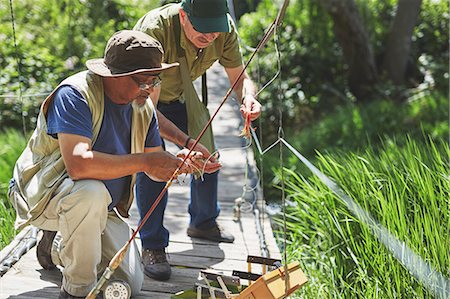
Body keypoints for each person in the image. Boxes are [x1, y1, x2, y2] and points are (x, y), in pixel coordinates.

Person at [7, 30, 219, 299]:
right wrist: (146, 160)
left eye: (155, 80)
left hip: (100, 209)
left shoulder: (144, 108)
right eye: (142, 81)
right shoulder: (75, 94)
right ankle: (76, 291)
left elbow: (152, 169)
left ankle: (56, 246)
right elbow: (79, 166)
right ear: (114, 75)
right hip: (44, 194)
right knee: (90, 193)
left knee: (130, 281)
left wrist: (178, 164)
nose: (150, 89)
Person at [133, 0, 262, 281]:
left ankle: (203, 222)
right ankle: (152, 245)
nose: (210, 37)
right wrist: (184, 141)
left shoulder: (223, 30)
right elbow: (147, 107)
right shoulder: (154, 31)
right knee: (153, 162)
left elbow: (240, 78)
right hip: (142, 99)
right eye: (203, 30)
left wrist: (248, 97)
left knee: (208, 155)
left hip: (182, 94)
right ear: (183, 15)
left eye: (215, 32)